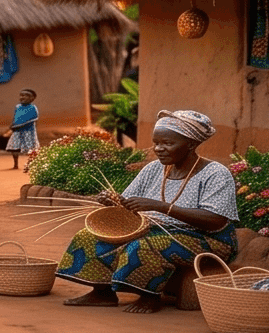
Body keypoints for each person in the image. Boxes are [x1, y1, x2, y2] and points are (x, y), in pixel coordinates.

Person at [57, 108, 237, 312]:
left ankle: (149, 296)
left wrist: (162, 207)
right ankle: (102, 293)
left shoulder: (215, 174)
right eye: (157, 143)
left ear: (191, 144)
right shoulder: (153, 169)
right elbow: (130, 203)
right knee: (90, 237)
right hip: (154, 228)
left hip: (207, 239)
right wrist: (114, 201)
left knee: (144, 246)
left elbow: (215, 220)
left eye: (168, 143)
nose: (159, 149)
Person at [6, 88, 41, 170]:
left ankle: (31, 164)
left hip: (28, 131)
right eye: (21, 95)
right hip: (17, 131)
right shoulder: (18, 107)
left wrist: (22, 125)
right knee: (14, 147)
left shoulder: (33, 108)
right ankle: (15, 164)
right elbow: (15, 117)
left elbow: (34, 118)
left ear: (32, 98)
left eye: (26, 96)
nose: (23, 97)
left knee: (30, 148)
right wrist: (12, 125)